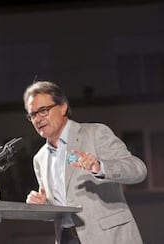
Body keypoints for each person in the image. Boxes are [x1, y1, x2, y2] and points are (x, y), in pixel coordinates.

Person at [24, 81, 147, 244]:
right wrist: (42, 206)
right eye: (32, 115)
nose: (38, 119)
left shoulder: (95, 134)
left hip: (108, 237)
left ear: (63, 107)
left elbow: (138, 170)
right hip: (67, 238)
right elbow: (59, 206)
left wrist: (100, 167)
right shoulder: (40, 159)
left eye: (44, 110)